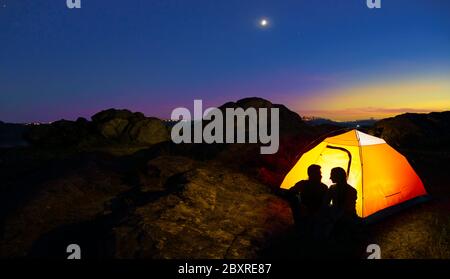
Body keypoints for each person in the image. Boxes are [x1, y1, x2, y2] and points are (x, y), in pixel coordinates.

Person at [288, 164, 328, 235]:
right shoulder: (303, 184)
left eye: (320, 173)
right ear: (311, 174)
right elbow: (290, 192)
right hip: (305, 213)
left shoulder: (324, 187)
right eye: (318, 173)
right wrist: (298, 205)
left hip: (316, 214)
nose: (320, 176)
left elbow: (325, 203)